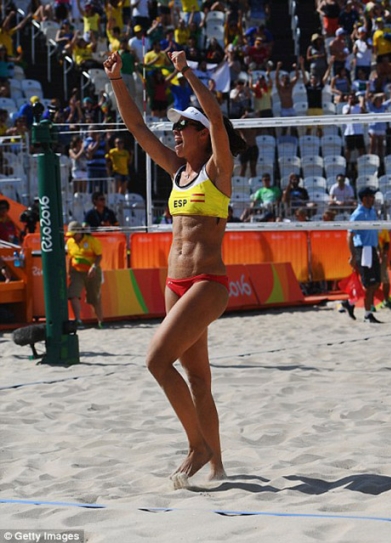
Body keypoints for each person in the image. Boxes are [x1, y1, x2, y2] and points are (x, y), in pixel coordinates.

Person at [104, 49, 248, 488]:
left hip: (207, 281)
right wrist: (117, 82)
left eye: (183, 125)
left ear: (202, 135)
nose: (176, 131)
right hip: (175, 282)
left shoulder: (217, 170)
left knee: (156, 360)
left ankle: (197, 446)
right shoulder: (176, 171)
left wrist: (186, 71)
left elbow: (219, 121)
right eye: (177, 126)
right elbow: (138, 129)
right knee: (199, 379)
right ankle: (218, 464)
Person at [342, 186, 383, 323]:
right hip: (363, 250)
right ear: (365, 198)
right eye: (371, 196)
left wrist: (379, 249)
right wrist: (353, 255)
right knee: (369, 284)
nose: (374, 198)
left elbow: (374, 233)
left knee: (376, 282)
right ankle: (367, 315)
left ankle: (350, 303)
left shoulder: (372, 211)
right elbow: (349, 236)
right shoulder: (358, 214)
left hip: (371, 249)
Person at [65, 221, 104, 328]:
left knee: (94, 298)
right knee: (73, 294)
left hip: (92, 272)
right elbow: (70, 257)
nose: (72, 236)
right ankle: (78, 320)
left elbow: (99, 256)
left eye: (74, 234)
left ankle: (100, 321)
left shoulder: (92, 241)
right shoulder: (69, 242)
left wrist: (94, 267)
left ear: (79, 232)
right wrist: (69, 272)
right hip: (76, 272)